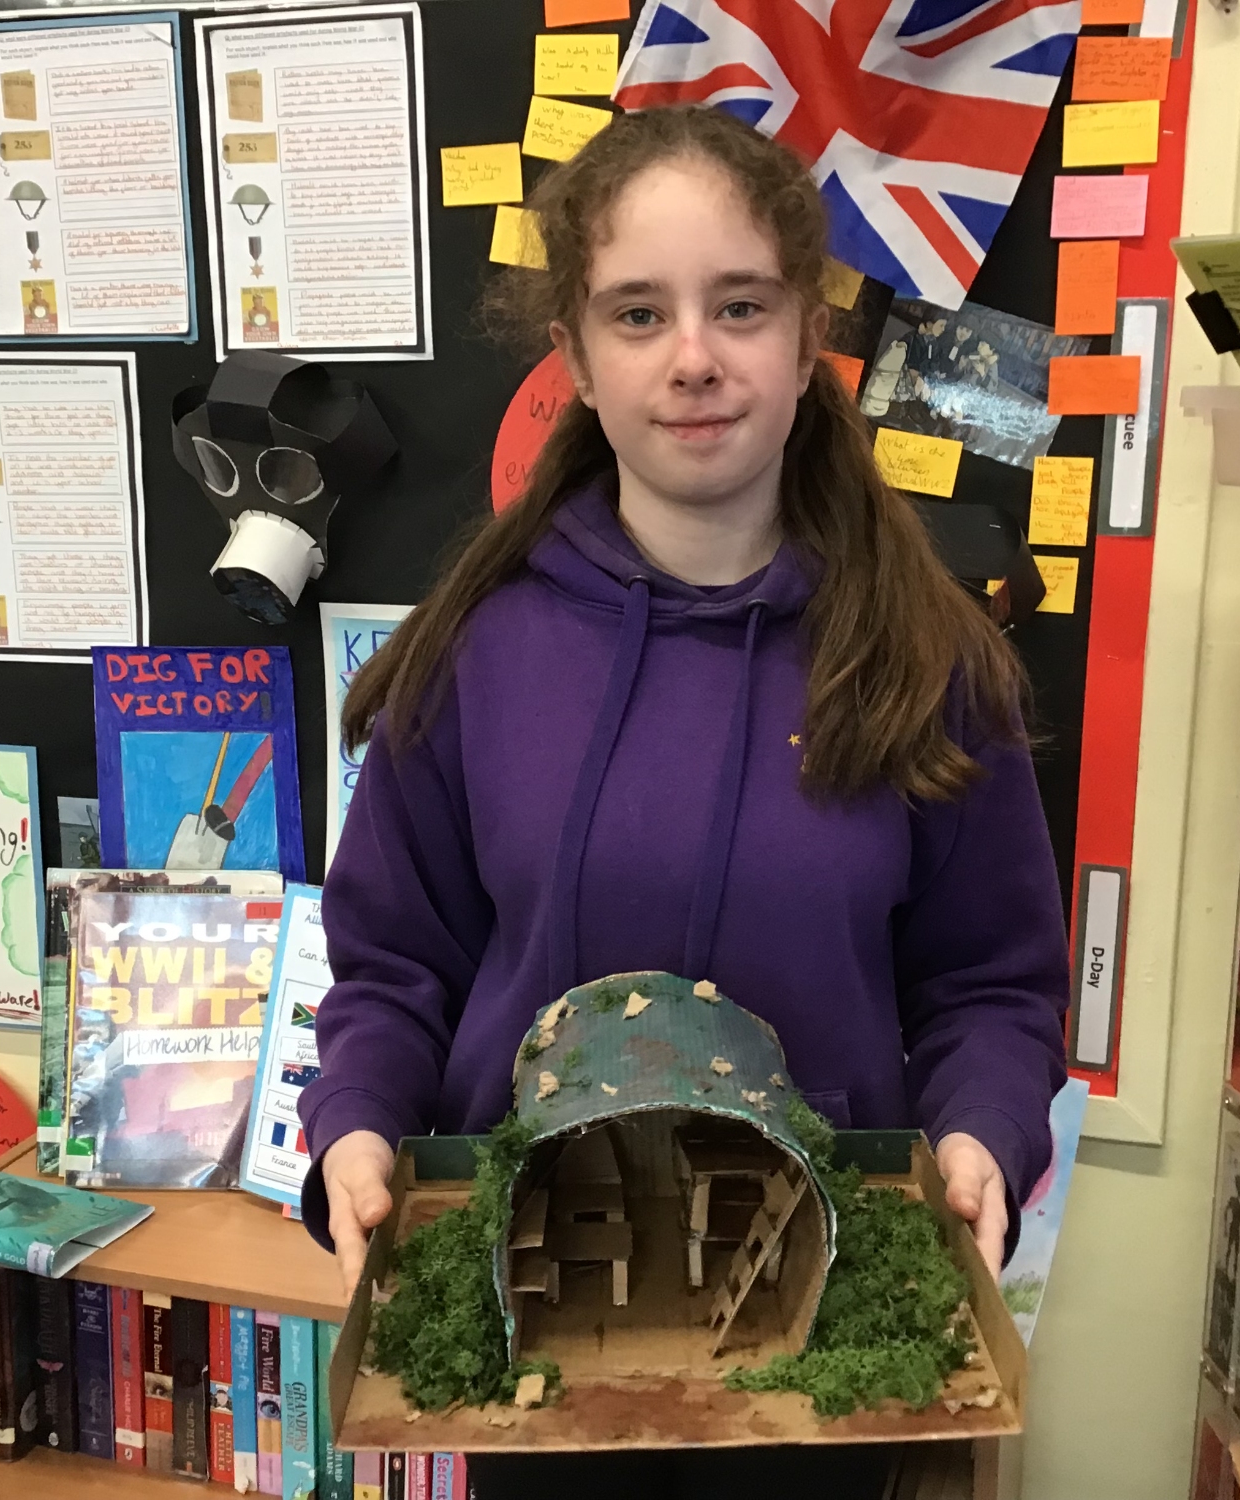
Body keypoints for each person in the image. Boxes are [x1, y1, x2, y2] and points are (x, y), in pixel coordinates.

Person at [298, 104, 1069, 1497]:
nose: (695, 357)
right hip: (540, 1333)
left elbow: (993, 987)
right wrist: (355, 1124)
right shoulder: (479, 650)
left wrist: (982, 1136)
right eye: (640, 313)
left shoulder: (926, 659)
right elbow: (397, 965)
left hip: (819, 1352)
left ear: (809, 341)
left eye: (742, 306)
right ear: (577, 361)